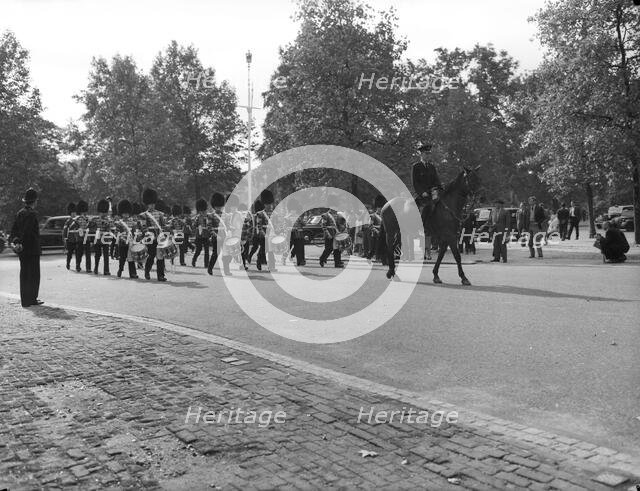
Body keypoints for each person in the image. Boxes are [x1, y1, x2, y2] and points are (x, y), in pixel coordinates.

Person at [9, 188, 43, 308]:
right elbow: (28, 232)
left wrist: (17, 242)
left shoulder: (19, 213)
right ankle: (32, 299)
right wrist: (23, 242)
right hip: (32, 248)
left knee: (24, 274)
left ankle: (25, 300)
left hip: (22, 250)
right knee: (34, 275)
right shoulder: (32, 214)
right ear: (34, 201)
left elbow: (14, 230)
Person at [411, 143, 442, 233]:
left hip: (432, 193)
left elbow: (436, 180)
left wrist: (439, 189)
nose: (428, 156)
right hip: (421, 195)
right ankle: (421, 228)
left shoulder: (432, 167)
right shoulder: (416, 166)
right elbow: (415, 182)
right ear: (421, 154)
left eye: (429, 154)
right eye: (426, 154)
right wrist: (422, 192)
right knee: (425, 208)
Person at [141, 188, 167, 281]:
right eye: (149, 204)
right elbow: (143, 227)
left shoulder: (160, 214)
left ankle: (161, 275)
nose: (151, 205)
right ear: (147, 204)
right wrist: (147, 232)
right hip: (150, 237)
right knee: (151, 255)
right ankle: (147, 271)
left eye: (152, 203)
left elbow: (163, 225)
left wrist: (166, 233)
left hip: (159, 237)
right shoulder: (144, 215)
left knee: (160, 256)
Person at [319, 194, 346, 268]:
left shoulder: (338, 215)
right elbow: (323, 226)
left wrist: (342, 228)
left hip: (337, 234)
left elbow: (340, 225)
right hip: (329, 234)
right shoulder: (325, 215)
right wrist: (328, 234)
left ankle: (337, 263)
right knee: (329, 249)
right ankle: (322, 259)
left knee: (337, 249)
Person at [207, 192, 231, 276]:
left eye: (220, 206)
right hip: (216, 236)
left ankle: (226, 270)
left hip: (224, 236)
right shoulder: (211, 215)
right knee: (215, 253)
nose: (218, 208)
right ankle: (210, 268)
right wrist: (215, 235)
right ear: (214, 206)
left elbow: (228, 226)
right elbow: (209, 227)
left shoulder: (225, 215)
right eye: (217, 206)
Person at [114, 199, 139, 279]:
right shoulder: (119, 223)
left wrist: (135, 239)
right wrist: (123, 239)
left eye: (127, 213)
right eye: (124, 213)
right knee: (122, 259)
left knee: (131, 259)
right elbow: (117, 233)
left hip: (130, 243)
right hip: (122, 243)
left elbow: (135, 232)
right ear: (122, 214)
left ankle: (133, 274)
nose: (126, 215)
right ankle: (120, 270)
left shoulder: (133, 223)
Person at [93, 198, 112, 275]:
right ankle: (96, 268)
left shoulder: (108, 220)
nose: (103, 214)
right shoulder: (95, 219)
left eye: (104, 212)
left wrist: (108, 225)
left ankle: (106, 270)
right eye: (102, 212)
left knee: (106, 255)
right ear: (99, 212)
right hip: (97, 239)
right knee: (97, 255)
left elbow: (111, 228)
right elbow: (91, 228)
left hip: (105, 239)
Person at [73, 200, 92, 272]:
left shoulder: (88, 219)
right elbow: (74, 228)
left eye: (85, 212)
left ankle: (88, 268)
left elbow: (91, 228)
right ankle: (78, 266)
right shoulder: (76, 219)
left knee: (88, 254)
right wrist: (78, 230)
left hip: (87, 238)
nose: (84, 213)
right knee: (79, 253)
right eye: (83, 212)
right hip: (80, 238)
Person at [287, 197, 306, 266]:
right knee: (287, 248)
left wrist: (301, 220)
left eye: (294, 209)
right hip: (291, 235)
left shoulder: (298, 217)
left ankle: (300, 261)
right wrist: (292, 229)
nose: (294, 211)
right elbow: (285, 227)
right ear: (291, 210)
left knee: (299, 248)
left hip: (299, 235)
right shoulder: (287, 218)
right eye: (293, 210)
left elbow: (304, 224)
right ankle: (283, 259)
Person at [191, 198, 210, 268]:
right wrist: (198, 227)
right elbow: (193, 225)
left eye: (204, 211)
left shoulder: (208, 217)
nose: (203, 212)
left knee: (207, 251)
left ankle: (206, 264)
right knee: (198, 250)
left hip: (206, 235)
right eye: (202, 211)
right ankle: (194, 260)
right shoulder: (197, 217)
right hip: (199, 236)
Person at [367, 195, 385, 261]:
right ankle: (369, 258)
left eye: (381, 207)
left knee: (379, 247)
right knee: (373, 248)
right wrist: (376, 229)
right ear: (377, 208)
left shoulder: (383, 216)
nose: (380, 209)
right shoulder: (373, 216)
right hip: (374, 234)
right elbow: (370, 225)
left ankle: (378, 258)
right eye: (379, 208)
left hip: (381, 234)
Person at [62, 202, 78, 270]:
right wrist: (65, 238)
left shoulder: (78, 220)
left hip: (77, 239)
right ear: (70, 213)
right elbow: (65, 230)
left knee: (78, 254)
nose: (74, 214)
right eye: (72, 212)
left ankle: (78, 266)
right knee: (70, 254)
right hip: (70, 239)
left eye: (75, 212)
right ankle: (68, 263)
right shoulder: (68, 221)